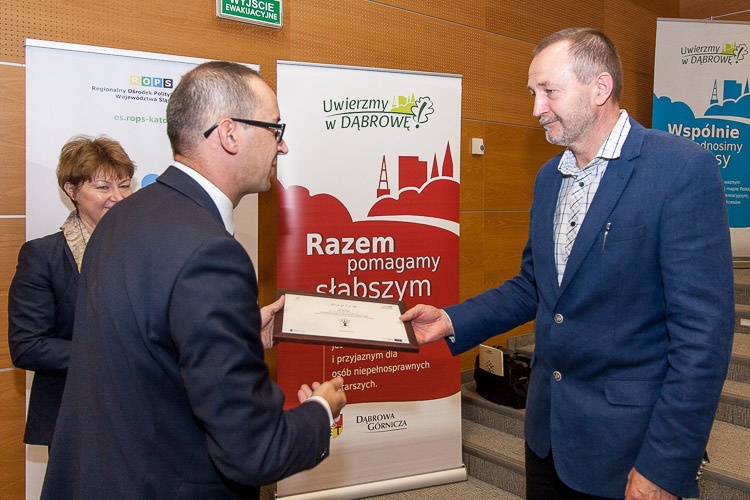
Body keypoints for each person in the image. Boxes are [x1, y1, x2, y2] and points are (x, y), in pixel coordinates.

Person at [401, 28, 734, 500]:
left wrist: (665, 466)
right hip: (547, 437)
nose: (536, 108)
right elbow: (534, 287)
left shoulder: (681, 169)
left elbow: (703, 336)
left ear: (600, 88)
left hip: (631, 449)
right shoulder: (549, 178)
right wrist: (451, 320)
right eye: (533, 93)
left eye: (549, 91)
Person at [41, 61, 347, 499]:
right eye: (275, 129)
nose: (282, 146)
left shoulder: (123, 216)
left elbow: (142, 347)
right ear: (229, 134)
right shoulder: (212, 253)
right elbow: (255, 450)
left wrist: (237, 333)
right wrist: (321, 411)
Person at [8, 135, 135, 449]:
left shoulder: (146, 249)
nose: (118, 197)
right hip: (76, 418)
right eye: (103, 187)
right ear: (71, 190)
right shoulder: (43, 256)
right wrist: (110, 354)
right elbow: (28, 346)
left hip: (142, 412)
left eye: (125, 185)